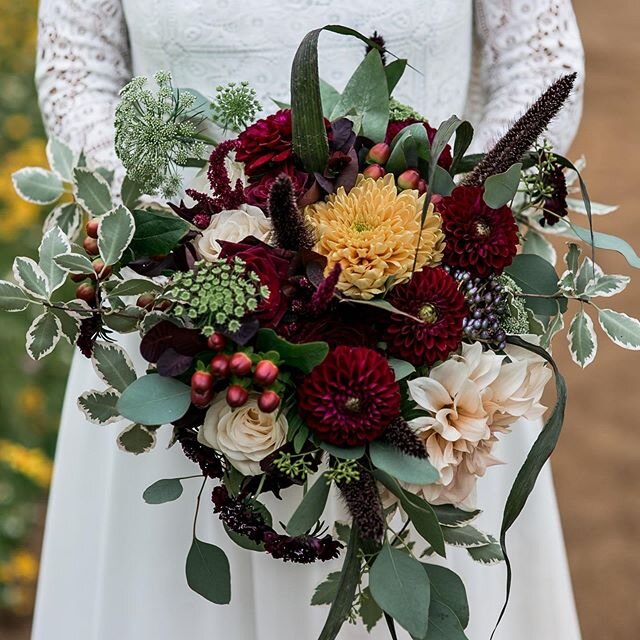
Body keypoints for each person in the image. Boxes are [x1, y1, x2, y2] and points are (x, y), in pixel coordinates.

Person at [32, 1, 585, 638]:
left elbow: (539, 60)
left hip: (429, 322)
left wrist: (449, 217)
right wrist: (168, 235)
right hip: (180, 318)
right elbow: (78, 67)